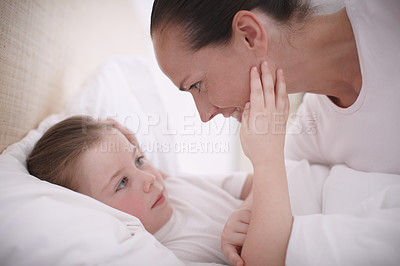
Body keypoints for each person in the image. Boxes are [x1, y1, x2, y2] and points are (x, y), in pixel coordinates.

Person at [150, 0, 400, 265]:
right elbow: (281, 174)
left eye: (197, 85)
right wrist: (249, 212)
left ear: (250, 35)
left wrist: (266, 163)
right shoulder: (315, 120)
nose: (204, 115)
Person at [27, 115, 260, 265]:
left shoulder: (177, 186)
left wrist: (248, 212)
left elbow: (255, 182)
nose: (148, 178)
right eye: (121, 183)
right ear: (94, 213)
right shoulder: (173, 255)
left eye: (139, 160)